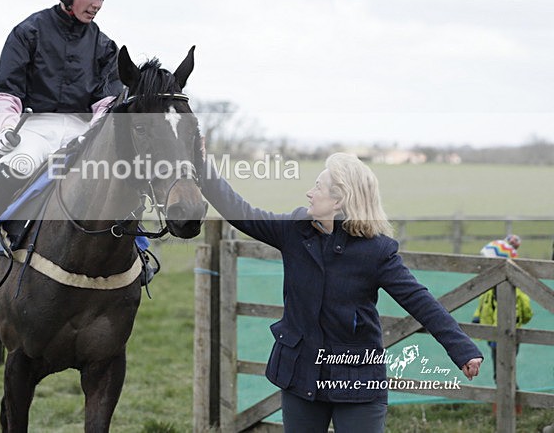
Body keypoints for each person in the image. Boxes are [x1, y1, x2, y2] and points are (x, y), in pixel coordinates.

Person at [200, 152, 483, 433]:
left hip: (357, 381)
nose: (309, 193)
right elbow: (241, 212)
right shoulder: (295, 230)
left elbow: (420, 301)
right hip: (300, 374)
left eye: (318, 187)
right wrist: (202, 166)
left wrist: (462, 349)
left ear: (338, 201)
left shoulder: (377, 251)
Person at [0, 0, 124, 276]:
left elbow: (107, 102)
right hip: (36, 127)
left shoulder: (106, 46)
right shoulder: (28, 32)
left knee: (113, 178)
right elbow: (6, 91)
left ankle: (134, 252)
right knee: (18, 166)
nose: (96, 4)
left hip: (81, 130)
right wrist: (6, 129)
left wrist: (94, 137)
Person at [472, 235, 533, 383]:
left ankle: (511, 405)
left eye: (487, 261)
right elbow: (483, 304)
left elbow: (522, 313)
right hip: (494, 336)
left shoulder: (512, 290)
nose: (483, 265)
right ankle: (505, 404)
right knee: (499, 374)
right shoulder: (489, 287)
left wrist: (505, 329)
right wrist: (477, 318)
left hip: (507, 335)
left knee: (505, 375)